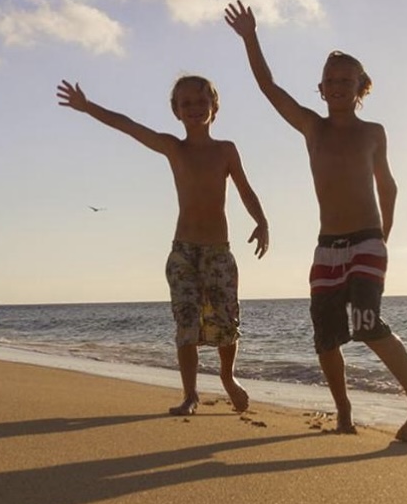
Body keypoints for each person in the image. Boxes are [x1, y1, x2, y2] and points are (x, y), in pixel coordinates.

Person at [224, 0, 407, 443]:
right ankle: (343, 409)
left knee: (367, 323)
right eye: (331, 80)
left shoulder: (373, 133)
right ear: (321, 89)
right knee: (325, 336)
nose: (338, 85)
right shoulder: (313, 127)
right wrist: (250, 38)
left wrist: (383, 238)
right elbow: (268, 86)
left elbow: (388, 187)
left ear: (362, 87)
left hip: (366, 241)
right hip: (327, 248)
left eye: (347, 80)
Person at [56, 75, 269, 416]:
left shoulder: (225, 150)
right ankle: (190, 394)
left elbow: (245, 190)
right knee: (186, 324)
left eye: (201, 102)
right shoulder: (174, 148)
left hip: (218, 251)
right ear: (176, 111)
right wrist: (87, 106)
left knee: (226, 322)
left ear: (214, 107)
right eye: (186, 104)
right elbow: (128, 125)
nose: (194, 108)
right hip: (183, 252)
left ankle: (228, 376)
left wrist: (261, 221)